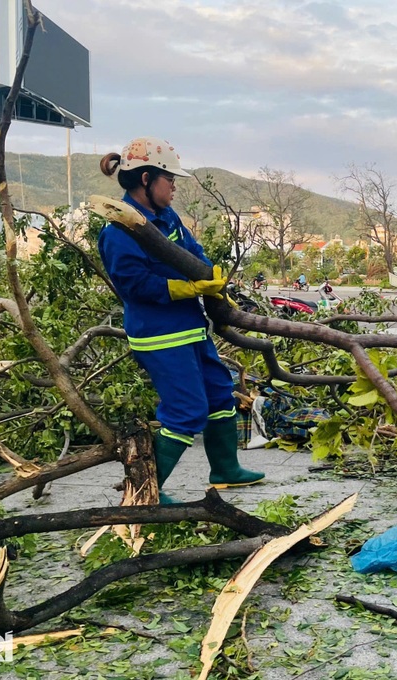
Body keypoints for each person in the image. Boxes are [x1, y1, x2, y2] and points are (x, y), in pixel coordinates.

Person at [96, 137, 264, 502]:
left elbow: (190, 249)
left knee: (220, 395)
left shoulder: (167, 216)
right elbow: (134, 284)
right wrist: (185, 288)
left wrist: (209, 275)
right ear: (145, 179)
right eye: (168, 178)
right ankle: (145, 492)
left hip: (191, 327)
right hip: (159, 336)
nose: (174, 185)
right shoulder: (118, 231)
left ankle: (225, 469)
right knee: (186, 409)